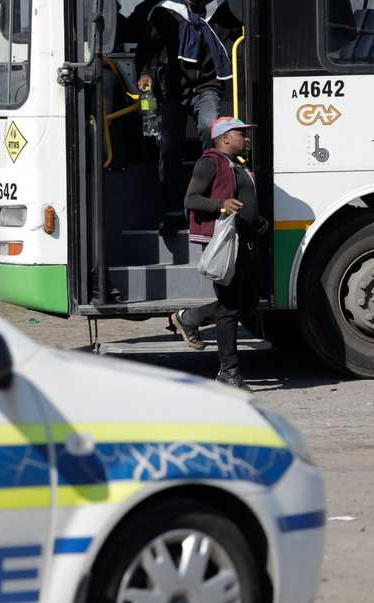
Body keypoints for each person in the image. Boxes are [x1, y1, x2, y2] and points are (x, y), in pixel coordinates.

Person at [169, 117, 267, 391]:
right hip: (226, 245)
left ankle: (190, 317)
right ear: (224, 138)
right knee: (229, 308)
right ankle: (229, 372)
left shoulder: (237, 165)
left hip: (246, 242)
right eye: (241, 134)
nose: (246, 139)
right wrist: (220, 204)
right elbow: (191, 199)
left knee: (246, 304)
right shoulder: (209, 162)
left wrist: (257, 222)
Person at [136, 0, 241, 236]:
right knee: (169, 145)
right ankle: (172, 209)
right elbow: (148, 49)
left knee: (209, 127)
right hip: (172, 89)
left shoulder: (218, 11)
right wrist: (145, 72)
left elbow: (238, 36)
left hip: (207, 86)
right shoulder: (165, 12)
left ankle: (210, 198)